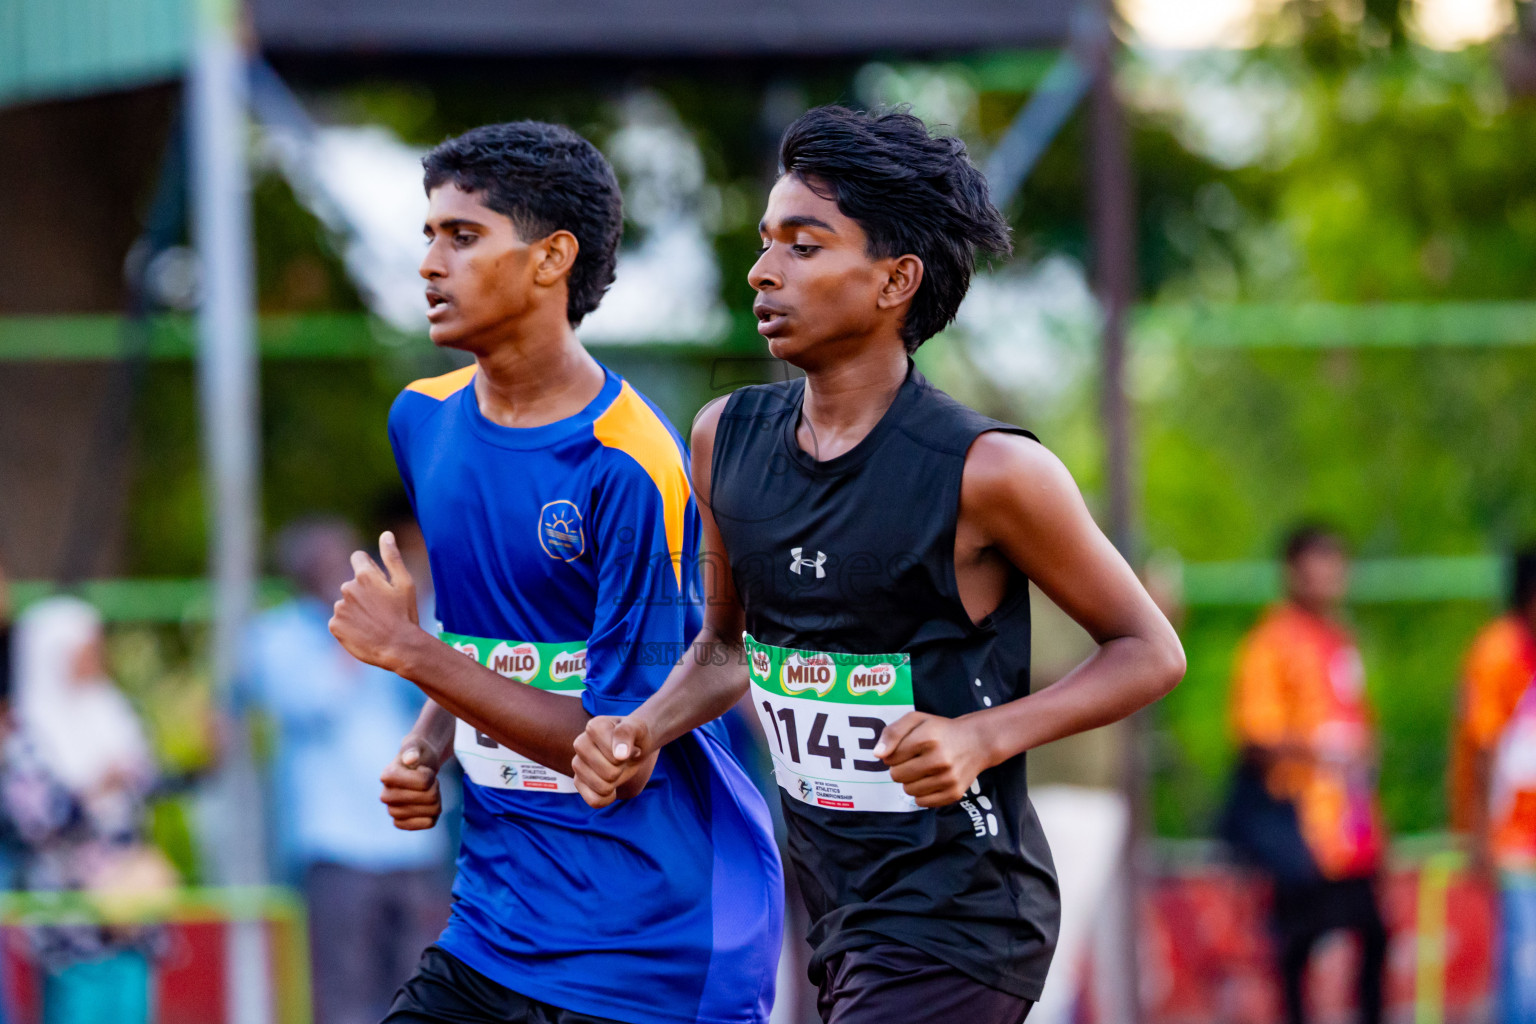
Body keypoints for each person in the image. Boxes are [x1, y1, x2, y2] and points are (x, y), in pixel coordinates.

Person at [571, 106, 1186, 1024]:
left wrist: (983, 736)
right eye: (766, 241)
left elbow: (1150, 650)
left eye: (804, 246)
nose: (763, 271)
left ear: (895, 280)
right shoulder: (723, 439)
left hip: (964, 912)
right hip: (835, 909)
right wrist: (642, 728)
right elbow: (728, 650)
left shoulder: (991, 472)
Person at [327, 121, 783, 1024]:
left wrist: (411, 656)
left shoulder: (631, 461)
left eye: (462, 236)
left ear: (551, 259)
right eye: (428, 234)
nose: (428, 263)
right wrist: (429, 740)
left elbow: (612, 753)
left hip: (643, 948)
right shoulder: (423, 420)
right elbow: (486, 635)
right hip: (491, 928)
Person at [242, 517, 450, 1024]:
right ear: (300, 574)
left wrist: (399, 633)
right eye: (325, 562)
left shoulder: (411, 624)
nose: (341, 571)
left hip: (415, 844)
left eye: (347, 558)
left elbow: (450, 692)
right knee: (345, 996)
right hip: (334, 846)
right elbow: (309, 702)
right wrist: (363, 636)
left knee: (425, 989)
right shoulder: (276, 636)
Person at [1222, 525, 1387, 1024]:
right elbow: (1255, 734)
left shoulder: (1339, 639)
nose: (1329, 579)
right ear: (1293, 571)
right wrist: (1322, 746)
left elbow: (1358, 723)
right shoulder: (1270, 643)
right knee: (1297, 946)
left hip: (1347, 825)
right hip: (1299, 825)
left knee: (1375, 935)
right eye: (1317, 566)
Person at [4, 596, 172, 1024]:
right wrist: (98, 788)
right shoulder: (27, 733)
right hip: (70, 914)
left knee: (132, 1005)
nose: (94, 655)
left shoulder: (112, 712)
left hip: (128, 910)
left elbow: (152, 785)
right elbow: (34, 819)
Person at [1450, 547, 1536, 1023]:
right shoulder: (1499, 651)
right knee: (1525, 967)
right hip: (1514, 839)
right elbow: (1481, 748)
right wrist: (1479, 834)